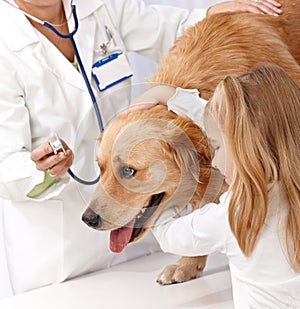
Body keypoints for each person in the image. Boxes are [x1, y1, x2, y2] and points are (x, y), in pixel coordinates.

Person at [0, 0, 282, 299]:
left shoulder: (95, 7)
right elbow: (4, 162)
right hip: (60, 250)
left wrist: (213, 12)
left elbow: (175, 28)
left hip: (141, 213)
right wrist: (39, 169)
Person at [151, 63, 300, 308]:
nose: (215, 161)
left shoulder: (236, 212)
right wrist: (165, 96)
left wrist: (155, 199)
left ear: (251, 145)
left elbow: (171, 237)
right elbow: (219, 119)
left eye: (217, 148)